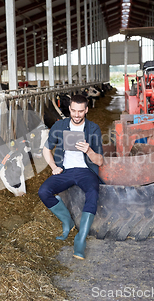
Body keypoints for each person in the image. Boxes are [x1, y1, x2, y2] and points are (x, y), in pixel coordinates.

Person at [38, 94, 103, 260]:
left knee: (93, 192)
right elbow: (46, 149)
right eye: (73, 110)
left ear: (86, 110)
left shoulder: (93, 128)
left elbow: (100, 161)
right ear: (69, 109)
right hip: (65, 170)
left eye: (80, 111)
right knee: (44, 191)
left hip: (85, 171)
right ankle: (67, 221)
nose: (76, 114)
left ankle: (81, 238)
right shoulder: (59, 126)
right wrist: (53, 167)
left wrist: (89, 151)